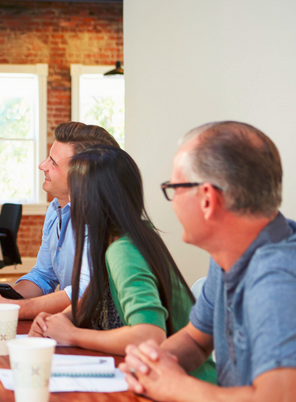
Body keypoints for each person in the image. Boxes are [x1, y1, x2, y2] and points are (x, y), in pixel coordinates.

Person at [121, 121, 296, 400]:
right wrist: (151, 363)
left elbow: (278, 398)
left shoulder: (276, 278)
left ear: (207, 199)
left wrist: (175, 386)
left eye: (174, 188)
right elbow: (196, 339)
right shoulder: (229, 254)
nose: (172, 199)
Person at [28, 145, 216, 383]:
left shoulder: (123, 250)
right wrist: (60, 321)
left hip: (184, 385)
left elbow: (150, 336)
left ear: (90, 200)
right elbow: (92, 296)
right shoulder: (126, 237)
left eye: (74, 193)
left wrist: (73, 335)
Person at [0, 122, 120, 319]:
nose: (42, 166)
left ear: (82, 174)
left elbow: (83, 294)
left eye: (53, 162)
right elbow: (43, 276)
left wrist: (7, 308)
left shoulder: (99, 220)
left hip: (101, 328)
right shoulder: (55, 210)